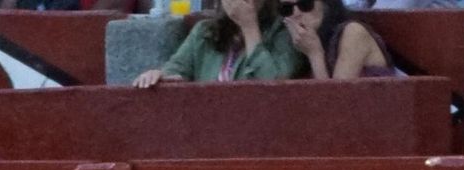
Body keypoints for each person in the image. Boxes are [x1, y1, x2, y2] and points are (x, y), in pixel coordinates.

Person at [131, 0, 304, 88]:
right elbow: (176, 70)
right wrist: (159, 77)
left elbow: (272, 87)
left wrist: (249, 26)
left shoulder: (283, 32)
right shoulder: (204, 31)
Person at [281, 0, 398, 79]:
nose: (296, 14)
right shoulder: (298, 43)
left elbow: (335, 105)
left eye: (305, 4)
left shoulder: (354, 32)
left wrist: (315, 55)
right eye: (287, 9)